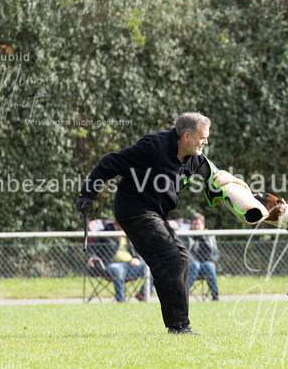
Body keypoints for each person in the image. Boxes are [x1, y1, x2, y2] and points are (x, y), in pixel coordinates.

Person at [75, 112, 214, 335]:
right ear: (186, 136)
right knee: (172, 258)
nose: (206, 142)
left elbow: (218, 179)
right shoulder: (153, 147)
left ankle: (178, 325)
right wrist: (87, 194)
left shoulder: (195, 158)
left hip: (156, 213)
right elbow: (110, 162)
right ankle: (178, 327)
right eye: (203, 137)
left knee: (182, 260)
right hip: (133, 210)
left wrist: (247, 201)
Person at [186, 213, 219, 300]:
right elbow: (185, 252)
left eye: (198, 224)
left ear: (203, 225)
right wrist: (195, 263)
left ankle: (215, 295)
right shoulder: (185, 235)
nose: (196, 227)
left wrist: (213, 261)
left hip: (206, 265)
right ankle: (183, 294)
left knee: (208, 265)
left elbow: (216, 252)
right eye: (194, 224)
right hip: (191, 266)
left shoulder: (210, 235)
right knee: (195, 265)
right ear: (191, 225)